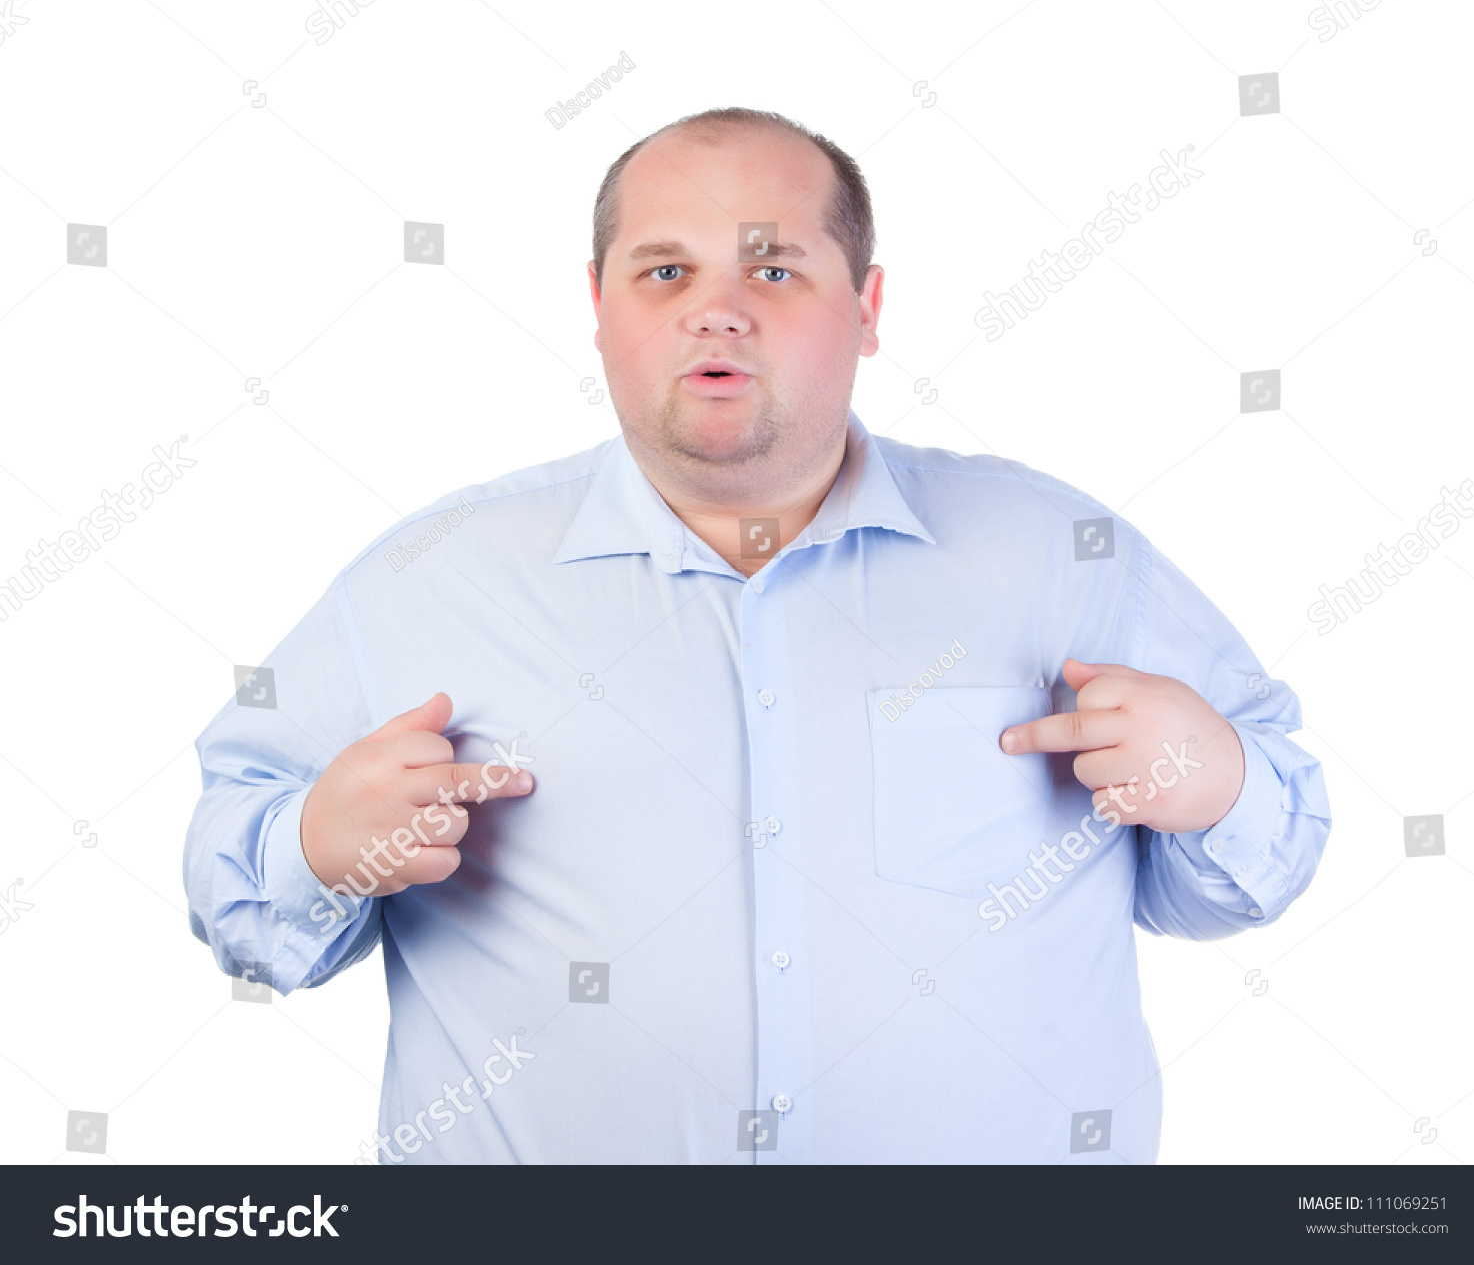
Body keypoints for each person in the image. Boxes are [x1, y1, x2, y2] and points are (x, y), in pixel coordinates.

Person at [184, 107, 1330, 1164]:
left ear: (869, 309)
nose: (715, 308)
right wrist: (316, 848)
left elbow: (1246, 878)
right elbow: (250, 922)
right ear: (597, 305)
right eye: (665, 270)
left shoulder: (1064, 557)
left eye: (772, 267)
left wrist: (1218, 780)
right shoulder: (424, 582)